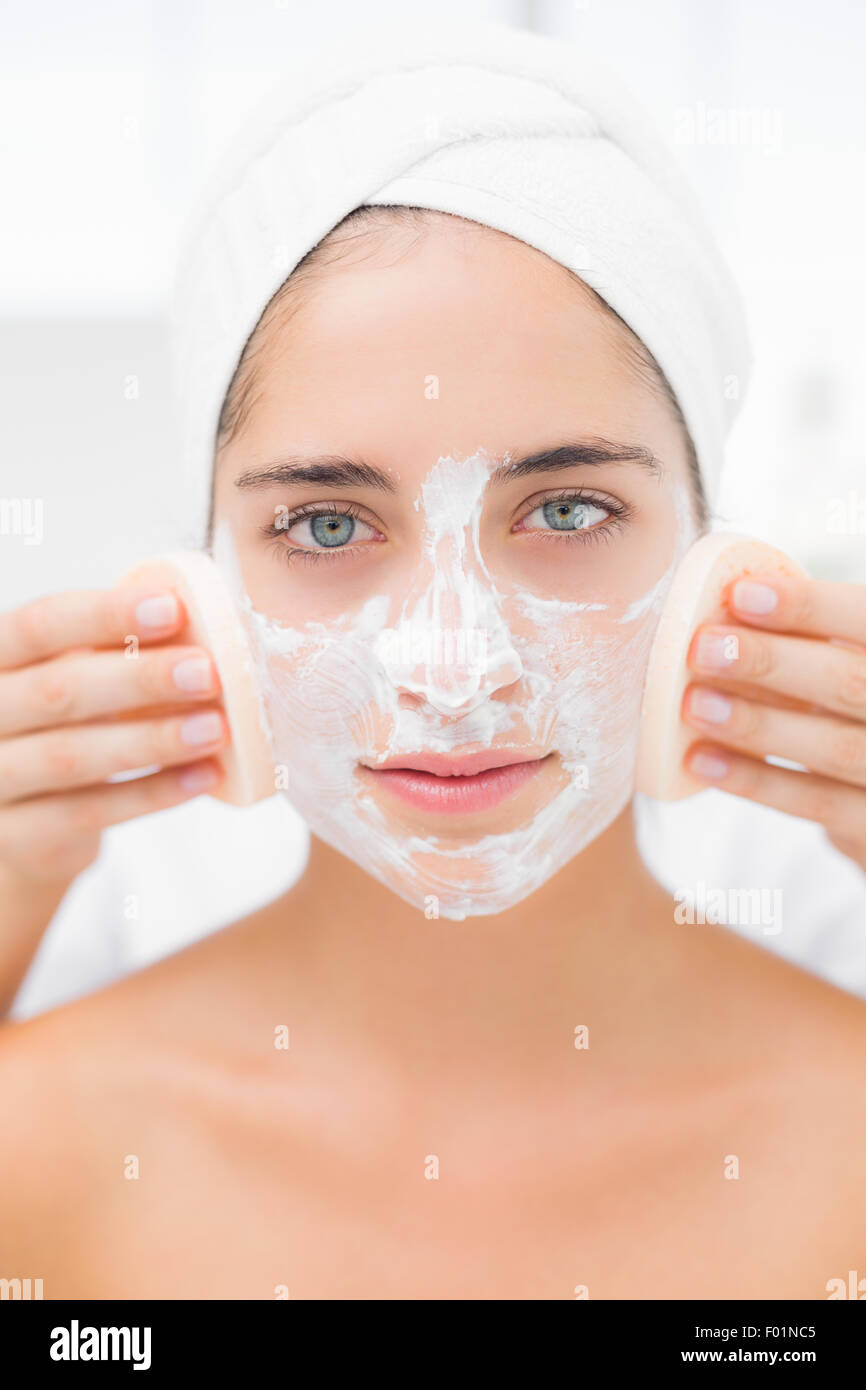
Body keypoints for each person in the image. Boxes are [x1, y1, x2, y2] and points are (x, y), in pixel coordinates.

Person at [1, 20, 865, 1300]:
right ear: (204, 590)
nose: (453, 668)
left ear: (710, 562)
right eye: (328, 524)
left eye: (566, 510)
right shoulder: (44, 1146)